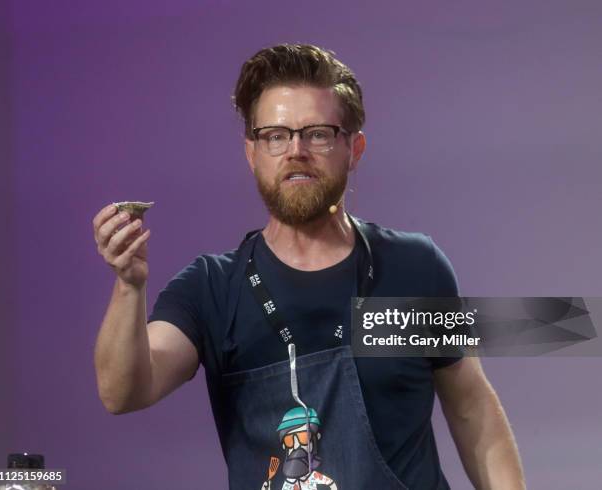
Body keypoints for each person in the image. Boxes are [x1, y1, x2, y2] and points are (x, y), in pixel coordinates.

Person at [93, 44, 526, 489]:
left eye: (317, 133)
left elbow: (473, 411)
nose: (295, 150)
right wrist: (129, 286)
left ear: (354, 149)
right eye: (275, 135)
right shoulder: (214, 290)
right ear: (252, 153)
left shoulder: (412, 268)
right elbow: (123, 391)